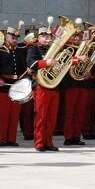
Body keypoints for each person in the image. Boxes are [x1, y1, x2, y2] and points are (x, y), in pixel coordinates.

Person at [27, 22, 61, 152]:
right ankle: (40, 142)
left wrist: (77, 59)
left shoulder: (56, 49)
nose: (48, 39)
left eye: (49, 37)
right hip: (41, 86)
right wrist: (46, 62)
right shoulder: (33, 48)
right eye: (45, 37)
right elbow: (31, 63)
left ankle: (49, 142)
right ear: (39, 38)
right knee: (41, 116)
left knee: (51, 117)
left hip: (54, 85)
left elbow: (65, 62)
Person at [0, 23, 26, 147]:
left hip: (16, 86)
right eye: (12, 37)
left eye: (16, 37)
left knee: (14, 115)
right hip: (4, 86)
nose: (15, 40)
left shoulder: (19, 51)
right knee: (4, 115)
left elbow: (23, 69)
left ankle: (11, 139)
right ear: (6, 36)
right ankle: (2, 140)